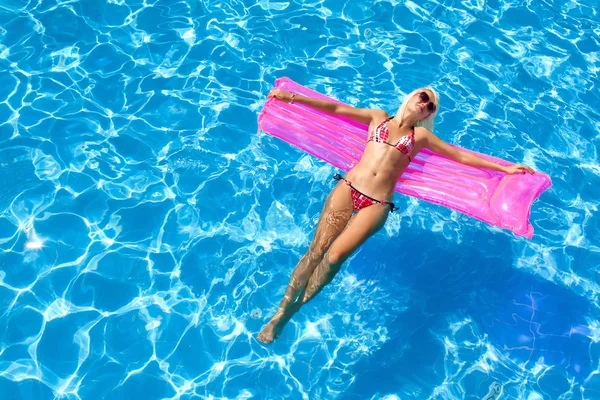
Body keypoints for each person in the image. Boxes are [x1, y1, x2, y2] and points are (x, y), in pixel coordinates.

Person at [257, 87, 534, 344]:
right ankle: (279, 312)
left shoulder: (421, 137)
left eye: (431, 106)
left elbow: (458, 156)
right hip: (348, 187)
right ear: (412, 96)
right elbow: (337, 109)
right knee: (316, 250)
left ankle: (291, 313)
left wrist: (505, 169)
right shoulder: (378, 116)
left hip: (377, 203)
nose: (425, 104)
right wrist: (293, 98)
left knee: (333, 257)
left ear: (428, 114)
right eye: (423, 97)